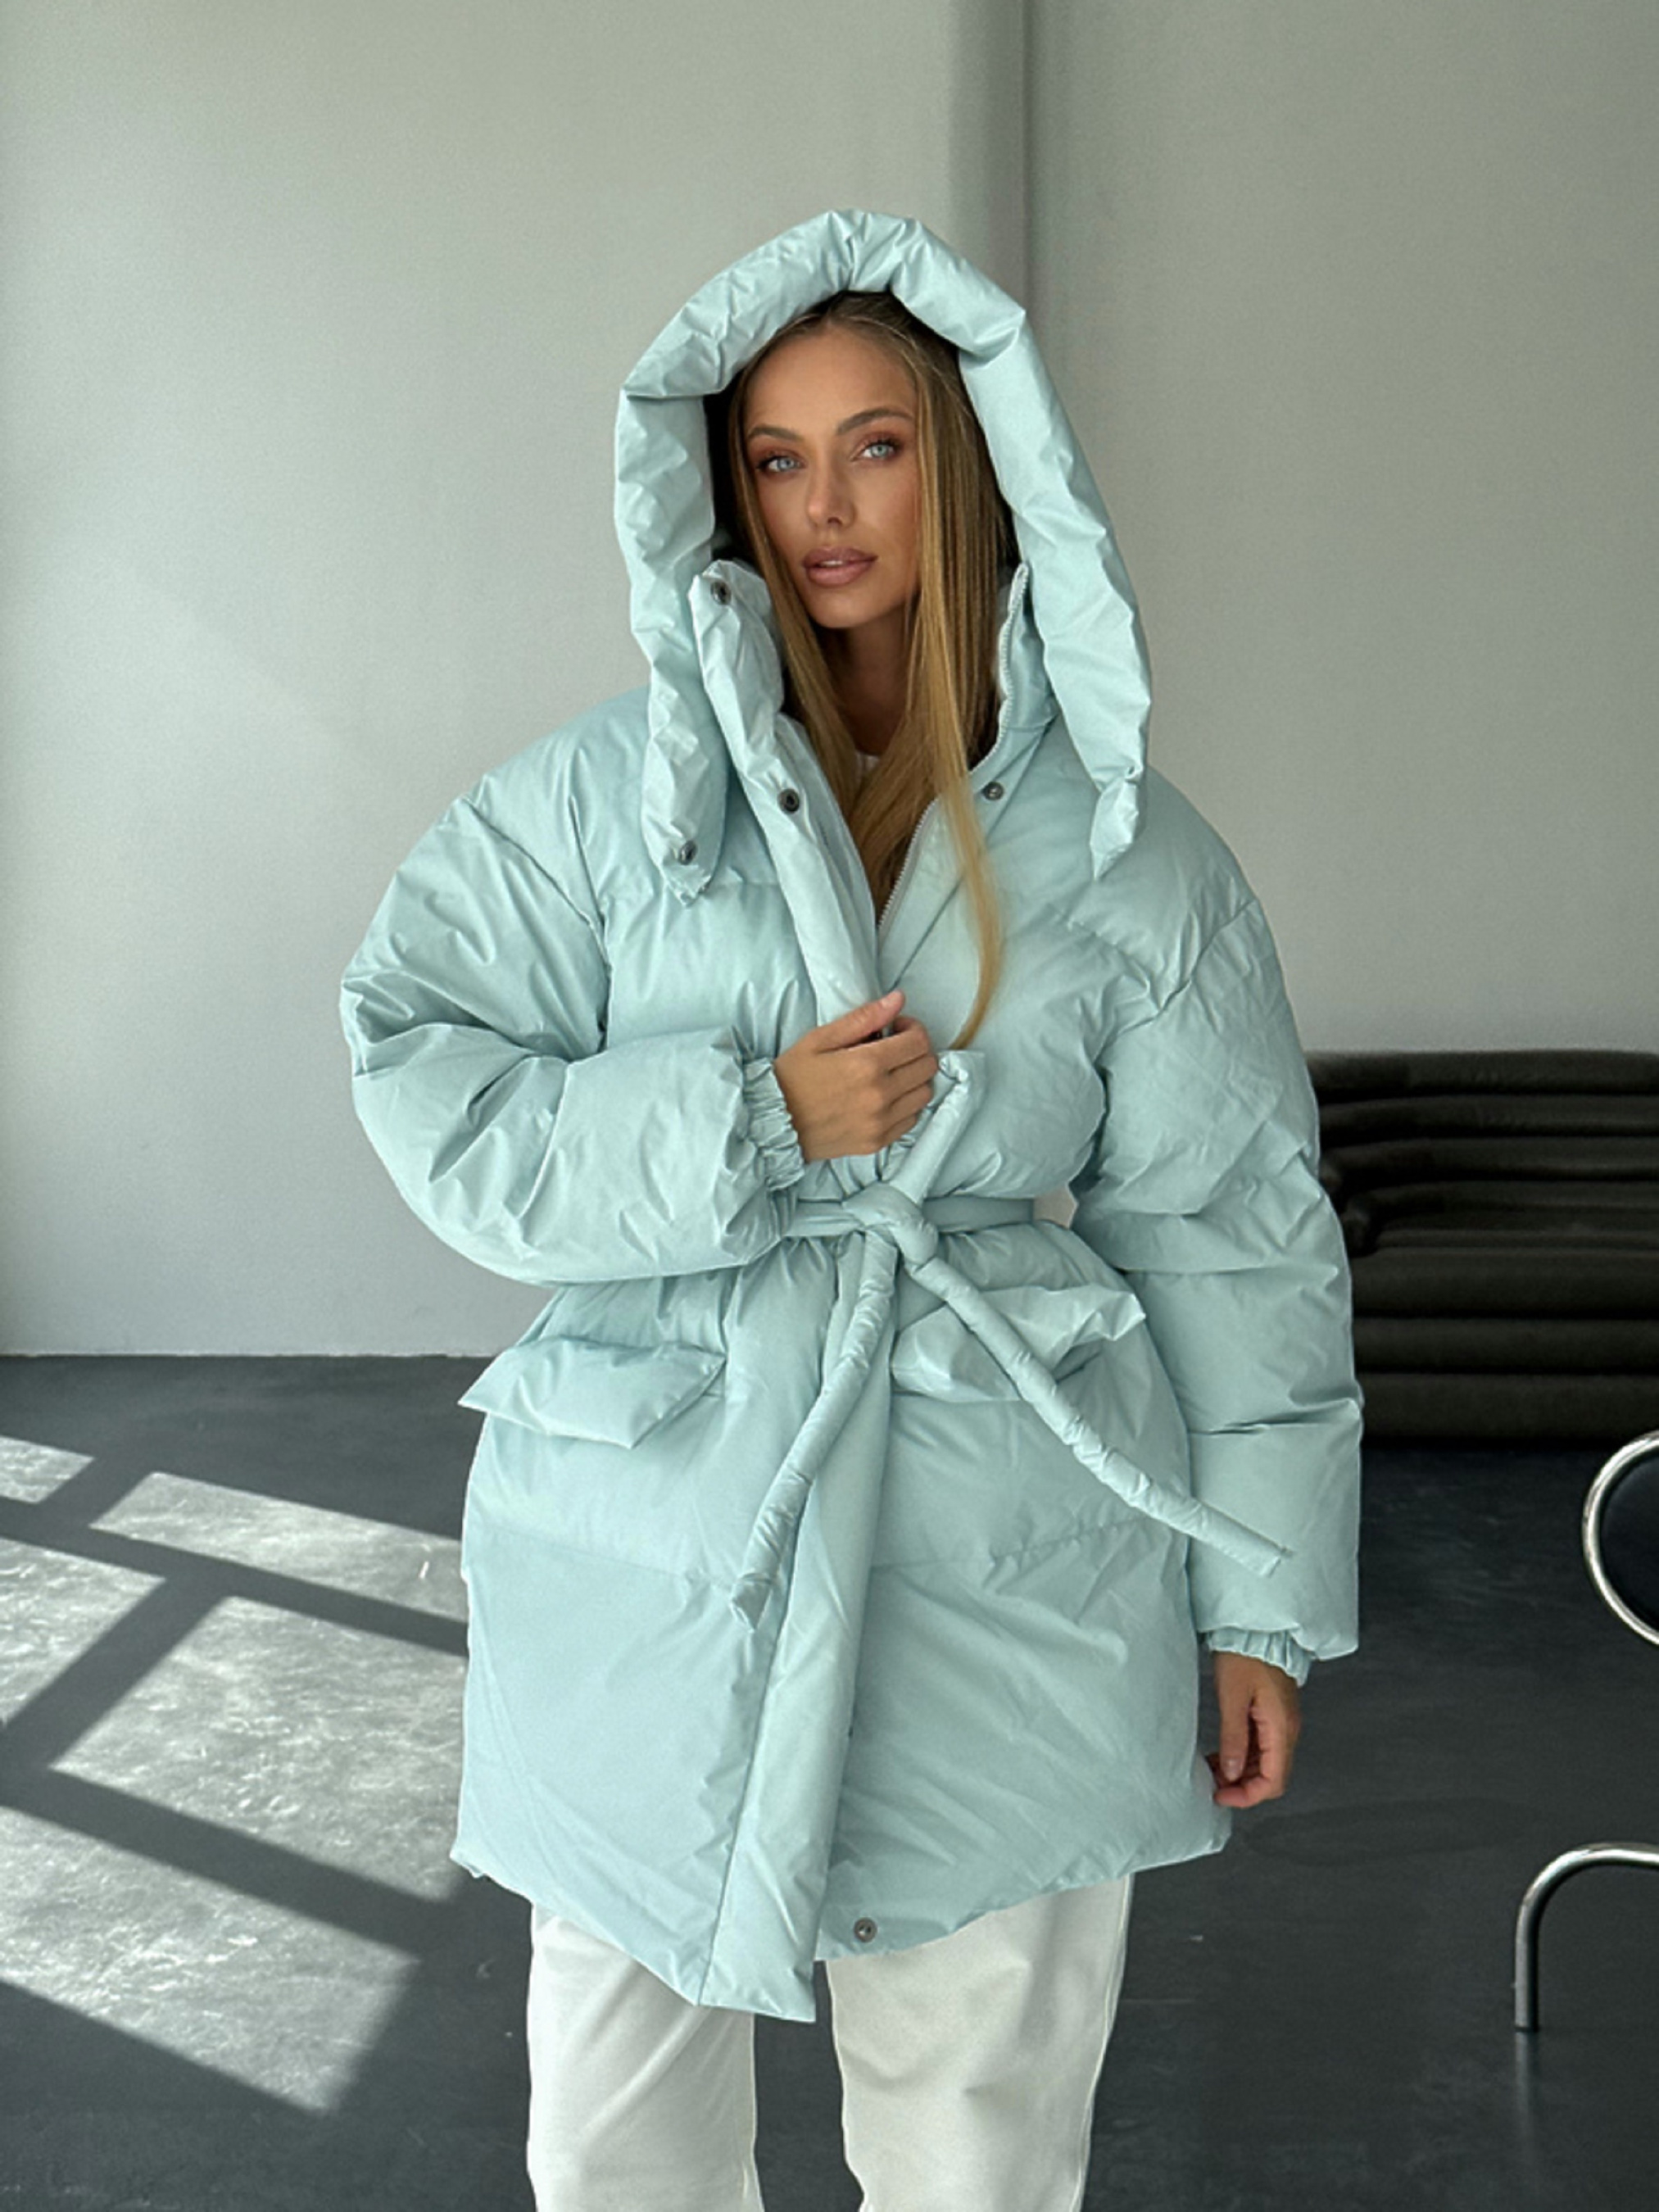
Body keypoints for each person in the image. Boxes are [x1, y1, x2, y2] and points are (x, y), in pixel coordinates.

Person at [338, 207, 1362, 2210]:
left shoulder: (1124, 850)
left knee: (978, 2146)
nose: (822, 506)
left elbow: (1230, 1228)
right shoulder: (604, 808)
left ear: (964, 466)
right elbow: (419, 1062)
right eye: (776, 458)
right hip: (659, 1531)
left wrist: (1256, 1603)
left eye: (873, 447)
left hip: (1004, 1542)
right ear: (718, 487)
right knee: (614, 2145)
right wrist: (748, 1128)